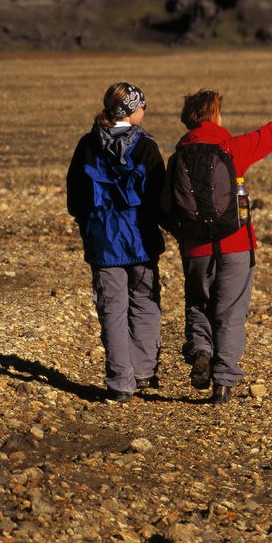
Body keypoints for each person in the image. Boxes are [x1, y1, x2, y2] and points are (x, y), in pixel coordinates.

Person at [172, 89, 272, 404]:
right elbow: (271, 133)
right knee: (230, 313)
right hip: (235, 245)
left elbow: (168, 204)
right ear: (215, 115)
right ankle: (223, 384)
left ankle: (201, 350)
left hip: (195, 249)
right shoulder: (233, 149)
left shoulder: (177, 156)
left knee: (197, 304)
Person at [66, 82, 166, 403]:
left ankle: (121, 381)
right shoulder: (147, 147)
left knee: (112, 308)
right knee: (145, 302)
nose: (145, 110)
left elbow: (75, 197)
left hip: (103, 241)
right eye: (142, 105)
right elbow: (159, 197)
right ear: (131, 110)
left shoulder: (87, 144)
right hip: (141, 238)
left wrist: (87, 225)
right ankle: (143, 369)